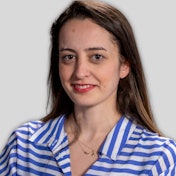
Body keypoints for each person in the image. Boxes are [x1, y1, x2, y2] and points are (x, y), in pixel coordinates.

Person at [0, 0, 176, 175]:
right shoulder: (22, 146)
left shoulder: (157, 157)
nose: (80, 72)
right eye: (69, 57)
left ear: (124, 65)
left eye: (97, 56)